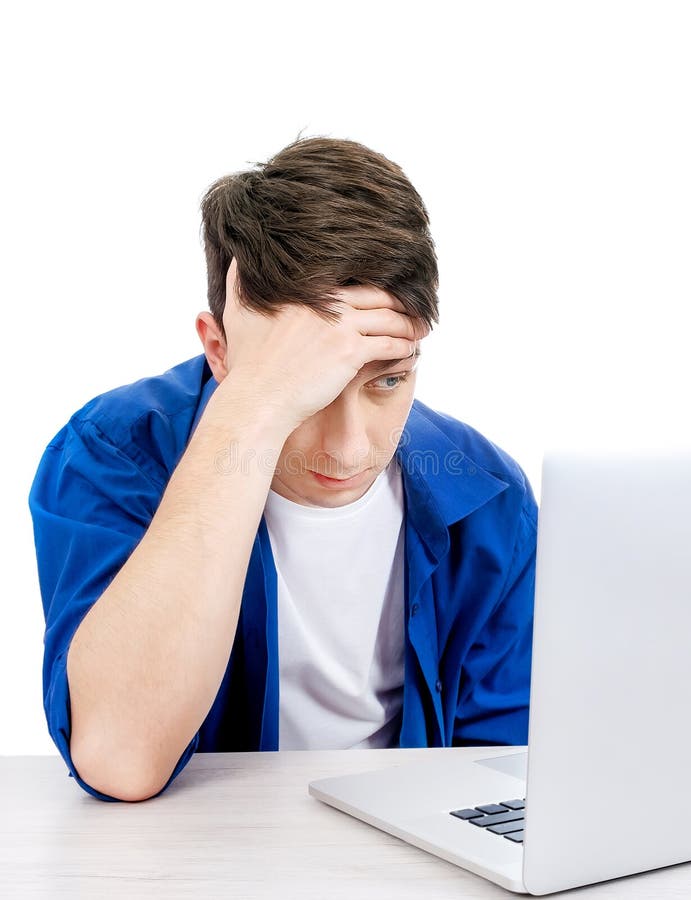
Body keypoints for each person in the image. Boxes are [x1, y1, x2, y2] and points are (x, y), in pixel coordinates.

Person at [28, 135, 538, 804]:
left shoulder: (489, 496)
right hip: (203, 849)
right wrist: (253, 405)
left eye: (387, 381)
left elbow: (509, 771)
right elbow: (119, 760)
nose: (348, 450)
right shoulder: (112, 453)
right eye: (309, 389)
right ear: (217, 350)